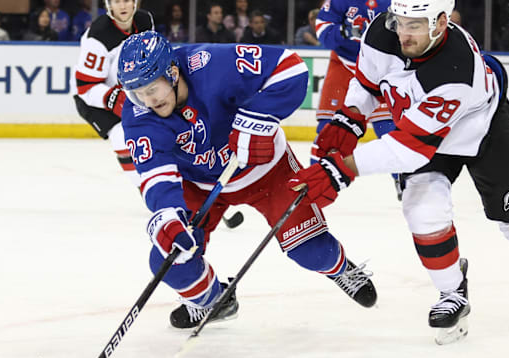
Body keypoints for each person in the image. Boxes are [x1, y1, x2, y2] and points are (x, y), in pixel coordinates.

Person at [293, 0, 509, 344]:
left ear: (440, 22)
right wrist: (348, 119)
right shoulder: (382, 31)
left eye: (414, 26)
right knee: (421, 209)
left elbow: (407, 149)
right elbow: (367, 83)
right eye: (399, 22)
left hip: (482, 134)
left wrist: (340, 170)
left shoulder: (456, 67)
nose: (402, 34)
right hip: (423, 134)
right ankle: (452, 292)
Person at [117, 31, 377, 328]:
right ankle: (215, 301)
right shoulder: (138, 115)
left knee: (311, 251)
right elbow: (155, 174)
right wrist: (167, 217)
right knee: (170, 259)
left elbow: (291, 67)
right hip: (201, 186)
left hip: (266, 170)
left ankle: (342, 269)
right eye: (138, 92)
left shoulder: (212, 64)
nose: (148, 100)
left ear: (173, 73)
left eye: (152, 88)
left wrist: (257, 120)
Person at [313, 0, 398, 198]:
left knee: (388, 127)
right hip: (344, 64)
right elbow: (322, 31)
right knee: (328, 126)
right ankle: (316, 179)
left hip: (380, 67)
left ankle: (403, 179)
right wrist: (344, 31)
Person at [73, 0, 154, 188]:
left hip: (129, 91)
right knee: (121, 137)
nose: (123, 6)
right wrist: (116, 99)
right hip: (93, 98)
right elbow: (85, 87)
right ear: (109, 5)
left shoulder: (145, 21)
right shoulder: (98, 36)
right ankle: (149, 193)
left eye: (127, 0)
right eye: (117, 1)